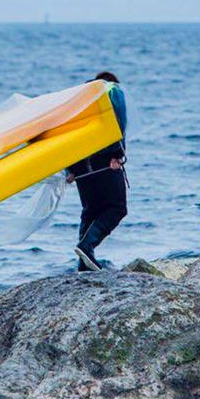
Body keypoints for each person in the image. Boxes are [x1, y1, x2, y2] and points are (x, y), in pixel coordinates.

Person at [66, 72, 128, 271]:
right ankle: (87, 246)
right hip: (106, 163)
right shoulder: (112, 91)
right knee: (117, 208)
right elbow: (118, 123)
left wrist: (71, 168)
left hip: (81, 167)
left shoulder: (80, 98)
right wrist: (117, 155)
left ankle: (84, 264)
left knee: (90, 212)